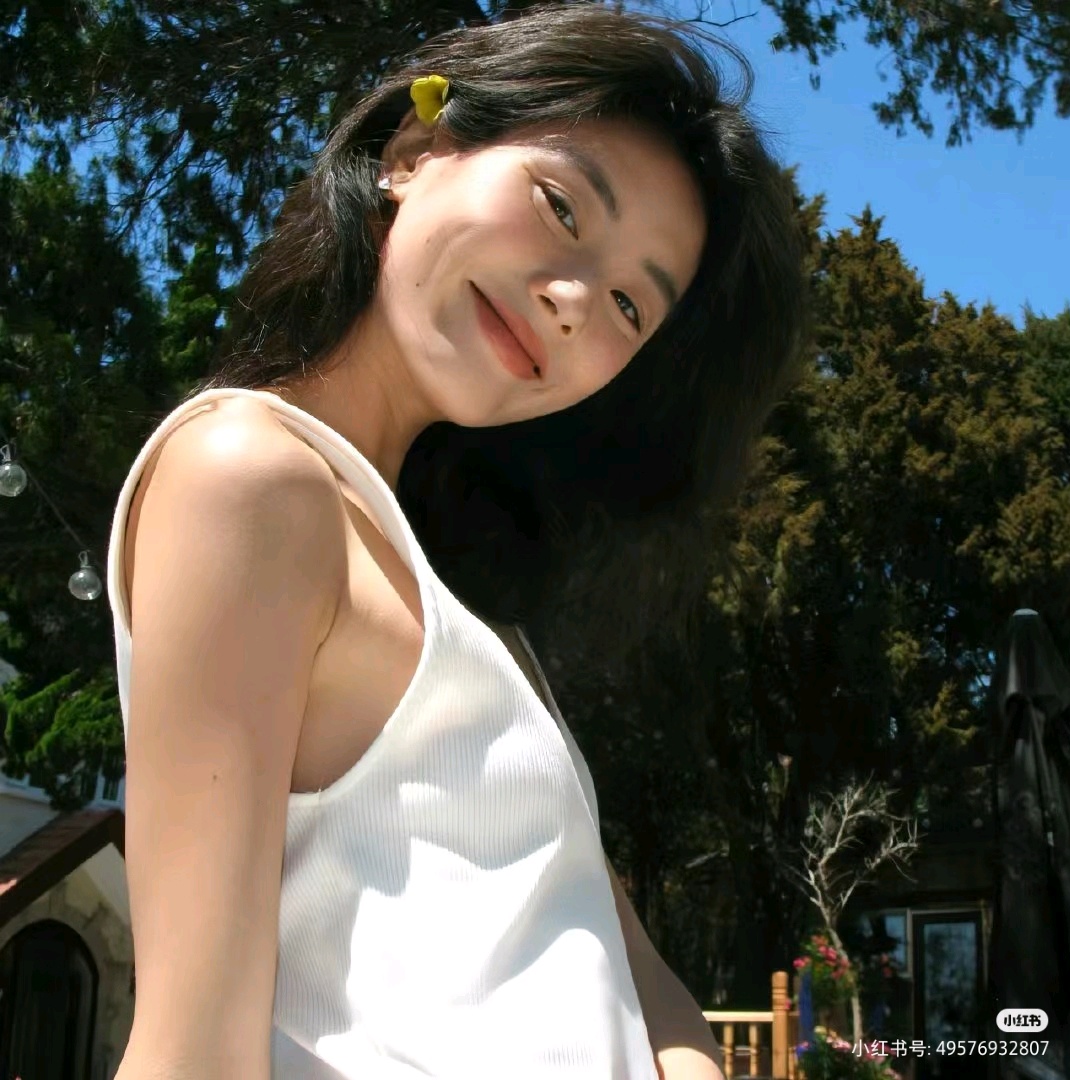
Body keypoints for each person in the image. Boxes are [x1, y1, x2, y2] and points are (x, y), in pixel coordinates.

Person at [106, 4, 808, 1078]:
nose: (574, 301)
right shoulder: (248, 477)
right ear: (414, 151)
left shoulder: (477, 619)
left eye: (631, 305)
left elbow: (629, 970)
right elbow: (192, 1050)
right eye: (561, 206)